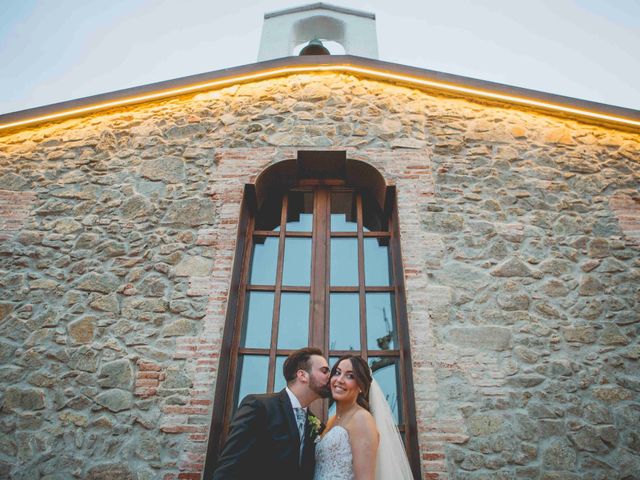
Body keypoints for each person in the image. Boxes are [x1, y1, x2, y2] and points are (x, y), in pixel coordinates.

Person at [213, 347, 331, 480]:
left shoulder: (316, 425)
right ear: (302, 375)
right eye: (324, 371)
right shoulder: (259, 407)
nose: (330, 377)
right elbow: (229, 466)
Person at [314, 355, 414, 480]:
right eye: (337, 373)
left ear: (361, 386)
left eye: (350, 376)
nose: (339, 380)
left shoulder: (361, 419)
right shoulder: (332, 420)